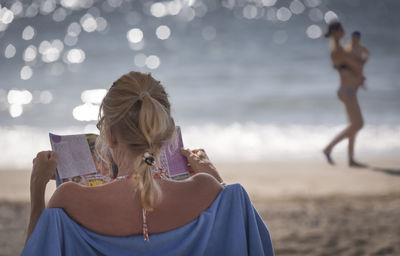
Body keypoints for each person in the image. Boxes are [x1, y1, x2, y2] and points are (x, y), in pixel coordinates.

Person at [22, 72, 274, 255]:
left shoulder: (68, 200)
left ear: (109, 134)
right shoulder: (208, 190)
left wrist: (37, 189)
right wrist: (219, 183)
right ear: (165, 133)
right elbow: (241, 236)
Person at [323, 21, 367, 167]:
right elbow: (357, 66)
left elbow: (352, 68)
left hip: (349, 90)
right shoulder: (339, 50)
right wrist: (364, 58)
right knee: (357, 124)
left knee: (353, 125)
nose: (344, 31)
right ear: (335, 32)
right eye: (341, 29)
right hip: (347, 91)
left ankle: (351, 159)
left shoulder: (339, 48)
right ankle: (328, 148)